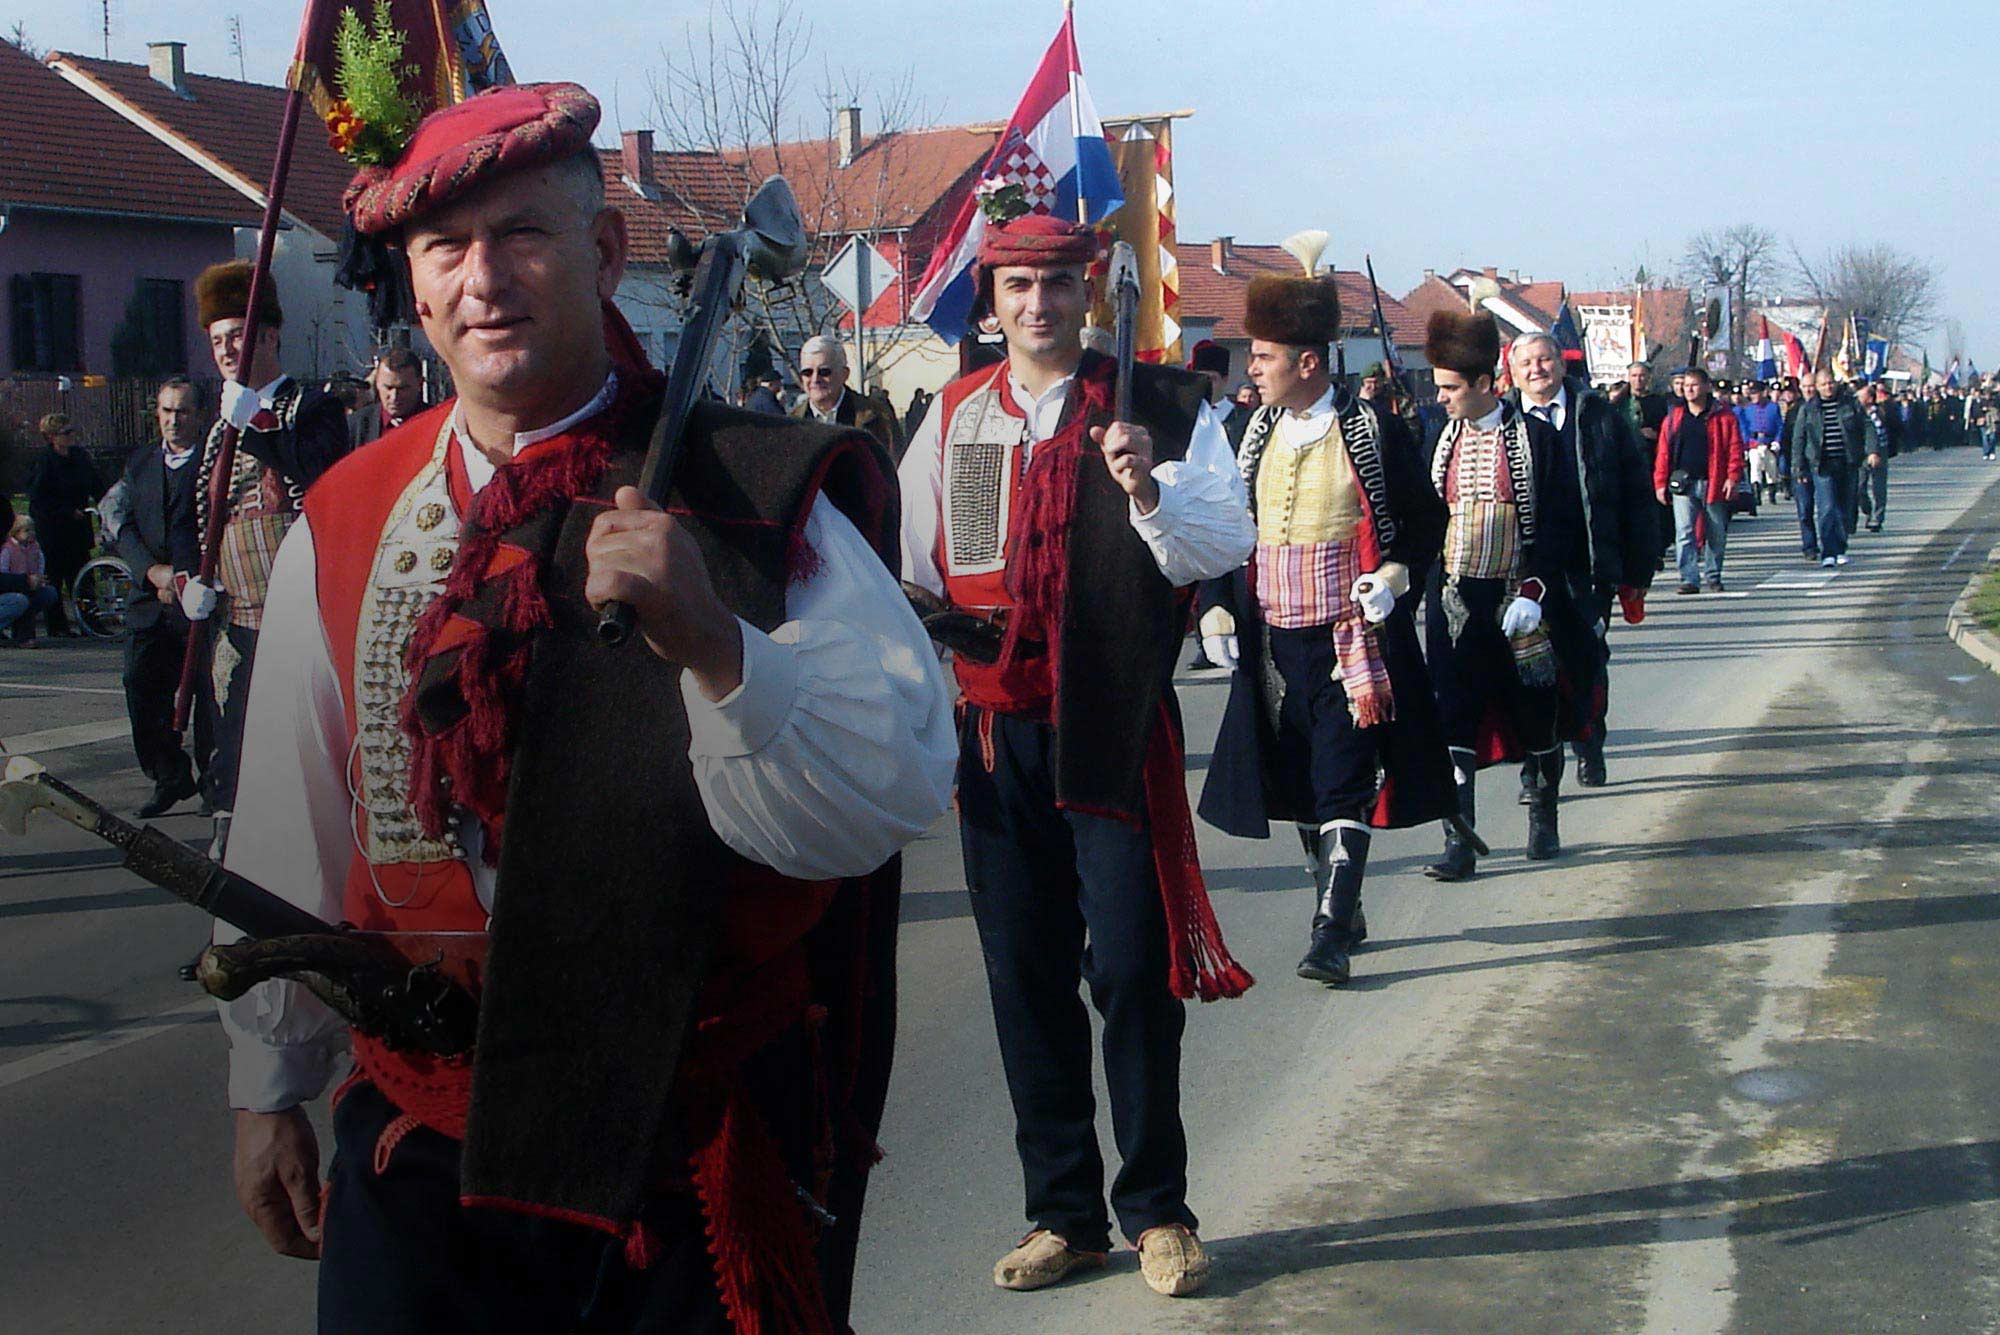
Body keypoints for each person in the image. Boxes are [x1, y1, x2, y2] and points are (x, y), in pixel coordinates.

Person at [218, 82, 954, 1334]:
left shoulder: (757, 489)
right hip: (423, 1138)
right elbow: (298, 821)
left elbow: (885, 794)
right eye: (444, 250)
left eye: (523, 235)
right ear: (413, 281)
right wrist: (265, 1082)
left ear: (604, 252)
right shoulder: (343, 513)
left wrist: (718, 645)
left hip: (675, 1140)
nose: (482, 280)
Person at [901, 211, 1255, 1299]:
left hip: (1108, 722)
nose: (1037, 304)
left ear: (1089, 289)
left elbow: (1221, 542)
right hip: (995, 729)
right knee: (1023, 976)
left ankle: (1156, 1210)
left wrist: (1143, 485)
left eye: (1056, 283)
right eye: (1017, 285)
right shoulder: (955, 415)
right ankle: (1063, 1213)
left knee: (1132, 971)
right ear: (991, 296)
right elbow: (912, 564)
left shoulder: (1156, 407)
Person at [1194, 254, 1454, 987]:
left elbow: (1422, 523)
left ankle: (1330, 930)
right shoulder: (1251, 433)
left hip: (1351, 641)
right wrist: (1215, 604)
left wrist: (1395, 577)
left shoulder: (1371, 431)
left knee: (1344, 779)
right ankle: (1338, 897)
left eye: (1267, 357)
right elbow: (1225, 527)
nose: (1255, 371)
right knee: (1303, 783)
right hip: (1276, 644)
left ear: (1308, 361)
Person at [1421, 310, 1598, 879]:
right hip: (1454, 599)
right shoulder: (1437, 436)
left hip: (1519, 598)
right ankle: (1459, 840)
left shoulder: (1536, 438)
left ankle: (1543, 815)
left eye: (1451, 388)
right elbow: (1424, 518)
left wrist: (1535, 590)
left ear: (1482, 384)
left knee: (1537, 711)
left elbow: (1562, 526)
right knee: (1453, 717)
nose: (1441, 397)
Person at [185, 260, 350, 851]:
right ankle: (233, 843)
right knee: (234, 734)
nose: (229, 350)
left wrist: (252, 423)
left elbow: (319, 473)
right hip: (235, 613)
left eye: (239, 335)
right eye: (218, 340)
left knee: (301, 733)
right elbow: (195, 517)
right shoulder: (212, 430)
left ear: (270, 337)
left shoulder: (312, 406)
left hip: (301, 604)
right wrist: (186, 578)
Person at [1505, 334, 1658, 791]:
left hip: (1587, 567)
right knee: (1528, 667)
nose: (1537, 369)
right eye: (1527, 362)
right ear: (1513, 373)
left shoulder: (1599, 417)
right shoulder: (1501, 422)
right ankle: (1536, 765)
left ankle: (1590, 743)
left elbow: (1636, 495)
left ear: (1561, 364)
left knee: (1586, 661)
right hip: (1522, 569)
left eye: (1544, 359)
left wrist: (1637, 571)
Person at [112, 377, 216, 814]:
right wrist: (152, 573)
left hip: (202, 600)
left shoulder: (216, 463)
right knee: (140, 684)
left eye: (183, 411)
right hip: (149, 600)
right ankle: (168, 774)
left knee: (209, 697)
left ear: (200, 416)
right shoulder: (139, 464)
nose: (174, 420)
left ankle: (216, 783)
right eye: (167, 411)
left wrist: (194, 580)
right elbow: (124, 525)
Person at [1653, 367, 1743, 594]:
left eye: (1693, 385)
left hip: (1713, 482)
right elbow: (1664, 452)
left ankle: (1713, 575)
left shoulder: (1723, 416)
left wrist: (1733, 477)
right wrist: (1660, 482)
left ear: (1705, 386)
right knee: (1684, 532)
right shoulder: (1675, 417)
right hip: (1683, 483)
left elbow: (1734, 448)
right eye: (1685, 386)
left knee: (1715, 532)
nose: (1689, 390)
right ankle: (1689, 578)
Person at [23, 411, 103, 636]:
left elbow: (96, 484)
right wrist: (66, 512)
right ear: (51, 437)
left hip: (78, 530)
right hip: (54, 531)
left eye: (72, 431)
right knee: (55, 578)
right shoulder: (44, 463)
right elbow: (38, 500)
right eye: (65, 433)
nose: (71, 436)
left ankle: (91, 622)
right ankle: (57, 626)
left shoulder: (79, 457)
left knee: (83, 577)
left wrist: (105, 503)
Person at [1788, 369, 1876, 568]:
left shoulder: (1849, 404)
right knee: (1827, 508)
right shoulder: (1809, 409)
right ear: (1817, 387)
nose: (1828, 387)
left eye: (1830, 383)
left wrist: (1872, 451)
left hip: (1847, 463)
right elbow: (1799, 439)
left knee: (1845, 509)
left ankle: (1841, 548)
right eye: (1823, 384)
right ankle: (1829, 551)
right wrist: (1799, 468)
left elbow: (1867, 426)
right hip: (1821, 465)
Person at [790, 335, 905, 459]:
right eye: (807, 372)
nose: (815, 379)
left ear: (845, 374)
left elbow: (897, 468)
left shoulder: (877, 417)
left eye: (824, 372)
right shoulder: (791, 424)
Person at [349, 346, 431, 447]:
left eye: (402, 388)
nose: (394, 397)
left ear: (420, 384)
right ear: (377, 383)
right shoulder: (355, 427)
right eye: (388, 388)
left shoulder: (439, 425)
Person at [0, 516, 62, 645]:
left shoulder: (35, 548)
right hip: (13, 586)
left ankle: (24, 634)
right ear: (15, 532)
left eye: (32, 530)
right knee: (20, 600)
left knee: (48, 593)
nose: (31, 533)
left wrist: (39, 578)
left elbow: (40, 563)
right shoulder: (8, 550)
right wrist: (24, 581)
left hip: (29, 583)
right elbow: (3, 572)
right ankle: (24, 637)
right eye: (26, 531)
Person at [1858, 384, 1897, 533]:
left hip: (1880, 451)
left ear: (1869, 398)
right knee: (1859, 487)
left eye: (1861, 396)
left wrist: (1881, 451)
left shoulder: (1880, 413)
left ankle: (1878, 518)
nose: (1858, 399)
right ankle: (1867, 510)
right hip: (1862, 453)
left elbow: (1889, 430)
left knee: (1879, 487)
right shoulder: (1857, 413)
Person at [1737, 381, 1784, 507]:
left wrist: (1777, 441)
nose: (1754, 396)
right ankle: (1756, 494)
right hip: (1754, 443)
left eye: (1756, 393)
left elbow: (1779, 426)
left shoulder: (1773, 407)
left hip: (1769, 442)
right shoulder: (1747, 410)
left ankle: (1771, 493)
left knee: (1771, 469)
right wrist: (1746, 445)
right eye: (1752, 393)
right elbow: (1744, 428)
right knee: (1755, 468)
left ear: (1763, 393)